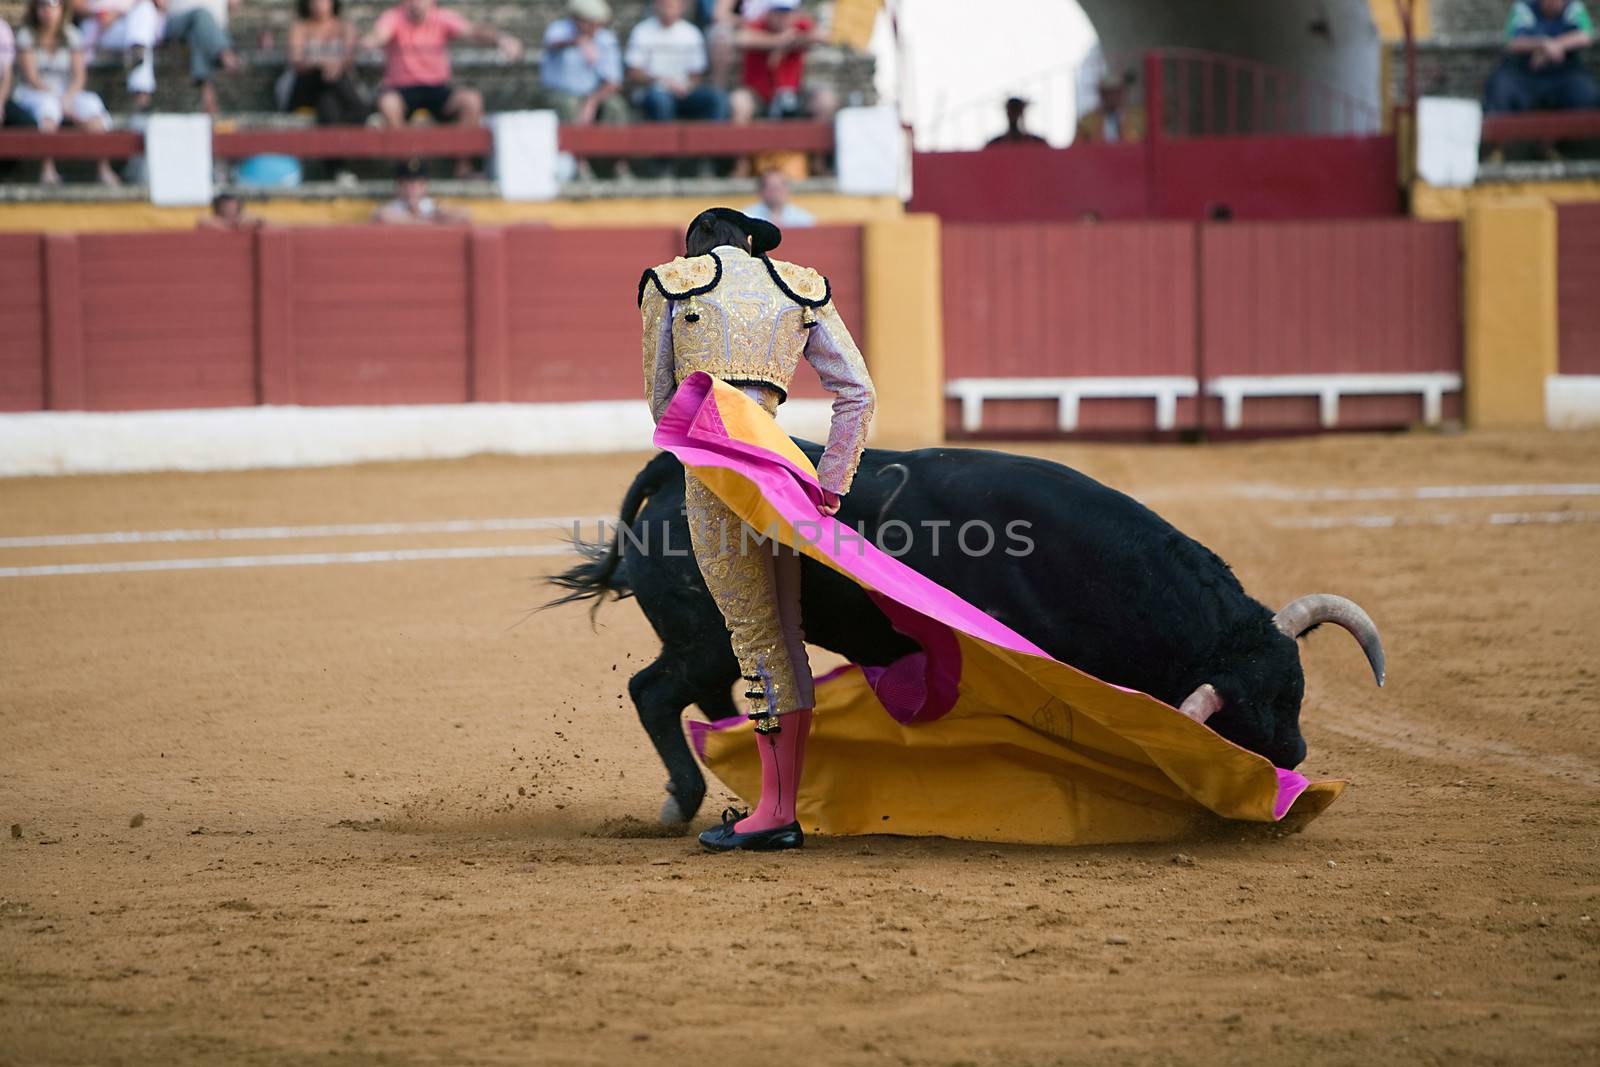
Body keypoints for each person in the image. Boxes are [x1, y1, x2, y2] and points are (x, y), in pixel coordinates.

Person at [639, 208, 874, 852]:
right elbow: (859, 393)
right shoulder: (799, 285)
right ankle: (779, 806)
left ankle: (775, 815)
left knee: (757, 636)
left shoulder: (672, 281)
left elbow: (664, 406)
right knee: (787, 636)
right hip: (786, 471)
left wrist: (708, 453)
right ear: (748, 242)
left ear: (695, 247)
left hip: (719, 475)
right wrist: (830, 482)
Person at [363, 0, 521, 176]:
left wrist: (502, 39)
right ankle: (408, 168)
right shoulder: (393, 17)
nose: (417, 4)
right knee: (388, 102)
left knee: (471, 101)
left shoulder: (442, 17)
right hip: (402, 90)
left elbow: (473, 32)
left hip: (436, 89)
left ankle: (463, 166)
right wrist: (370, 42)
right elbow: (378, 35)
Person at [13, 0, 119, 185]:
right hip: (34, 92)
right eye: (43, 6)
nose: (48, 11)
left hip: (66, 92)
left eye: (53, 6)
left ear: (62, 9)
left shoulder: (72, 35)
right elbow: (32, 79)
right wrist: (61, 102)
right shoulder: (26, 35)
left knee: (92, 105)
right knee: (48, 108)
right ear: (36, 10)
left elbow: (79, 77)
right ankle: (48, 170)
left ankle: (104, 169)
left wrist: (67, 99)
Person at [76, 0, 241, 114]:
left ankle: (142, 92)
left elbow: (161, 5)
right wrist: (102, 13)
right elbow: (73, 5)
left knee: (144, 17)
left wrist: (124, 10)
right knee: (141, 32)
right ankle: (142, 96)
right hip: (103, 29)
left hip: (143, 25)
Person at [730, 0, 837, 125]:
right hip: (759, 95)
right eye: (779, 12)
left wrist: (792, 42)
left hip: (793, 93)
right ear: (769, 12)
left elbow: (821, 36)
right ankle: (742, 143)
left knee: (825, 100)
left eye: (788, 12)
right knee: (740, 101)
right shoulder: (759, 24)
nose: (783, 17)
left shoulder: (799, 26)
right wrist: (777, 42)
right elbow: (741, 38)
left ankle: (813, 144)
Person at [1484, 0, 1599, 113]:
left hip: (1564, 73)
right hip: (1524, 74)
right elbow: (1513, 42)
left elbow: (1585, 36)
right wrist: (1543, 44)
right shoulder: (1524, 7)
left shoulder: (1573, 7)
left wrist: (1554, 46)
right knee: (1501, 87)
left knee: (1585, 92)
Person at [624, 0, 727, 123]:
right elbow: (634, 72)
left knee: (717, 98)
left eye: (672, 6)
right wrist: (661, 81)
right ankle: (665, 142)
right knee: (661, 100)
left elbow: (696, 74)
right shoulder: (642, 31)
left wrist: (686, 87)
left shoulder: (691, 33)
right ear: (656, 6)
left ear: (681, 7)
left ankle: (713, 141)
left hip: (684, 91)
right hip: (653, 91)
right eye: (665, 5)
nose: (668, 10)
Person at [541, 0, 627, 126]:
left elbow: (613, 81)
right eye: (589, 23)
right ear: (576, 19)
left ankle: (613, 145)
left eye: (598, 24)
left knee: (615, 106)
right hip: (559, 93)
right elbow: (552, 45)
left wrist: (592, 101)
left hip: (593, 93)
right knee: (568, 104)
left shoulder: (606, 39)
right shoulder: (559, 29)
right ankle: (571, 144)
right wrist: (577, 42)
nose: (594, 28)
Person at [286, 0, 367, 126]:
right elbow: (297, 61)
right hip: (306, 86)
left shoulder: (345, 27)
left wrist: (335, 65)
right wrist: (322, 64)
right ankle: (357, 106)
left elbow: (349, 57)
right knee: (325, 74)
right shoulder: (300, 27)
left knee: (328, 104)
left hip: (332, 90)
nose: (319, 4)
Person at [372, 157, 470, 224]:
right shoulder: (394, 206)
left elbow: (464, 214)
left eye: (419, 183)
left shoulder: (432, 205)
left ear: (425, 186)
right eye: (408, 182)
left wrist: (433, 214)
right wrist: (424, 219)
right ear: (399, 185)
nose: (413, 187)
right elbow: (381, 215)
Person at [1075, 73, 1145, 144]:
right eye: (1108, 93)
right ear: (1102, 94)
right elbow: (1079, 147)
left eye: (1116, 92)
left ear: (1122, 92)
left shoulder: (1139, 118)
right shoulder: (1088, 121)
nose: (1112, 97)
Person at [743, 168, 814, 226]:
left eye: (780, 187)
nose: (776, 192)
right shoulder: (747, 217)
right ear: (761, 191)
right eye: (772, 187)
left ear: (788, 189)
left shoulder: (802, 218)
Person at [198, 191, 263, 229]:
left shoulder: (244, 218)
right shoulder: (209, 220)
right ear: (219, 207)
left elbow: (264, 224)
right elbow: (203, 222)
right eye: (227, 206)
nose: (230, 209)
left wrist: (258, 222)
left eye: (233, 207)